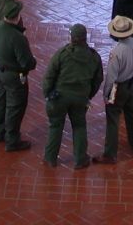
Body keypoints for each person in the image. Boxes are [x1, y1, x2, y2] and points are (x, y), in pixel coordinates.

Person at [42, 23, 103, 169]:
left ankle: (50, 158)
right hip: (80, 98)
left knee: (56, 126)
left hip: (59, 97)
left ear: (71, 37)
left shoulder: (62, 54)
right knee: (79, 126)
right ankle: (80, 159)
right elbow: (98, 79)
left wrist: (48, 93)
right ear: (84, 38)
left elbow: (49, 76)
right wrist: (88, 95)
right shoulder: (94, 57)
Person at [93, 15, 133, 164]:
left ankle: (110, 154)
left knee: (113, 118)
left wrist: (106, 94)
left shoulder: (117, 52)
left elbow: (111, 77)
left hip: (119, 87)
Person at [0, 0, 37, 152]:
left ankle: (0, 132)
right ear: (17, 16)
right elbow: (26, 62)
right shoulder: (17, 37)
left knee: (0, 102)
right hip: (14, 76)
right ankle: (12, 140)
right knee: (15, 107)